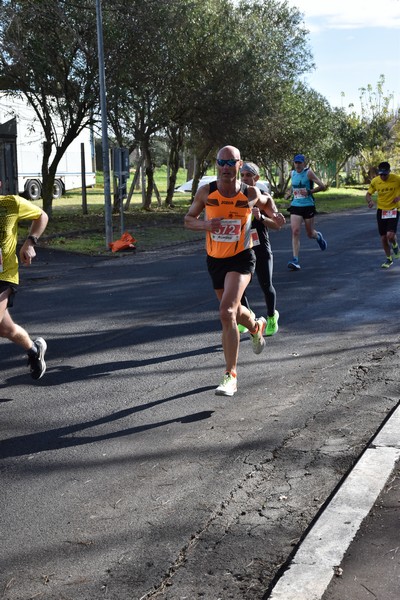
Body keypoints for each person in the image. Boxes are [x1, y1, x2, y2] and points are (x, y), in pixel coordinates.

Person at [184, 145, 285, 397]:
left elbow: (268, 202)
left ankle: (230, 375)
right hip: (215, 259)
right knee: (235, 311)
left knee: (226, 310)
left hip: (242, 258)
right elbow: (188, 219)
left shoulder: (250, 192)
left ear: (240, 165)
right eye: (222, 162)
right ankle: (255, 327)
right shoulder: (207, 192)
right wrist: (206, 224)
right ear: (216, 165)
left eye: (231, 163)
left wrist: (275, 215)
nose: (226, 168)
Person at [0, 192, 49, 379]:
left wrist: (30, 242)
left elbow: (41, 216)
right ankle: (35, 350)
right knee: (6, 329)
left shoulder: (11, 203)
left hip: (4, 275)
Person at [239, 161, 282, 337]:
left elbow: (277, 225)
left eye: (248, 175)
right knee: (239, 287)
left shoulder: (263, 198)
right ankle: (247, 316)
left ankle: (272, 316)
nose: (245, 178)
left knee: (266, 285)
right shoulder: (236, 196)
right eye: (242, 175)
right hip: (242, 248)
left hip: (261, 247)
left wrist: (262, 217)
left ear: (256, 178)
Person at [287, 154, 327, 271]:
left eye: (300, 163)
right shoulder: (292, 173)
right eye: (296, 163)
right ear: (294, 163)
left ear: (304, 163)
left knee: (310, 234)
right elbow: (292, 187)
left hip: (308, 205)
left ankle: (318, 236)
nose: (298, 165)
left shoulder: (309, 173)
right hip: (295, 205)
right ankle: (295, 260)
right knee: (295, 231)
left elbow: (322, 186)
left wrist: (309, 192)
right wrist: (289, 193)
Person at [365, 161, 400, 269]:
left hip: (394, 209)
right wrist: (369, 201)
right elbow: (368, 194)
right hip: (381, 210)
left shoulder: (397, 179)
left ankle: (394, 244)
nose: (383, 176)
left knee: (390, 235)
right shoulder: (375, 181)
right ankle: (389, 259)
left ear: (389, 172)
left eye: (385, 174)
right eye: (381, 174)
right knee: (384, 237)